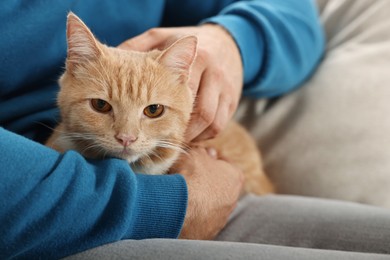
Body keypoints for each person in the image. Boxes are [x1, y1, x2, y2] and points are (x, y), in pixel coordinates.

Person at [1, 0, 390, 259]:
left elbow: (294, 17)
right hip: (53, 212)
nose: (126, 134)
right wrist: (173, 205)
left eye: (152, 110)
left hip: (203, 183)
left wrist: (232, 40)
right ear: (70, 75)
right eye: (102, 107)